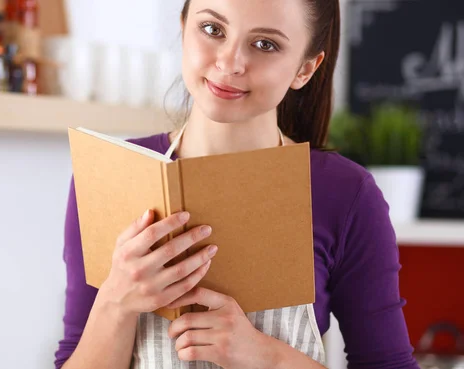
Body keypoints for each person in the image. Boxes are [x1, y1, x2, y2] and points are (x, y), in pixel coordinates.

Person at [54, 0, 421, 368]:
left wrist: (268, 359)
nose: (229, 64)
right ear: (183, 28)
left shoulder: (345, 195)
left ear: (305, 69)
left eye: (265, 44)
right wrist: (117, 303)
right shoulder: (112, 176)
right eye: (213, 29)